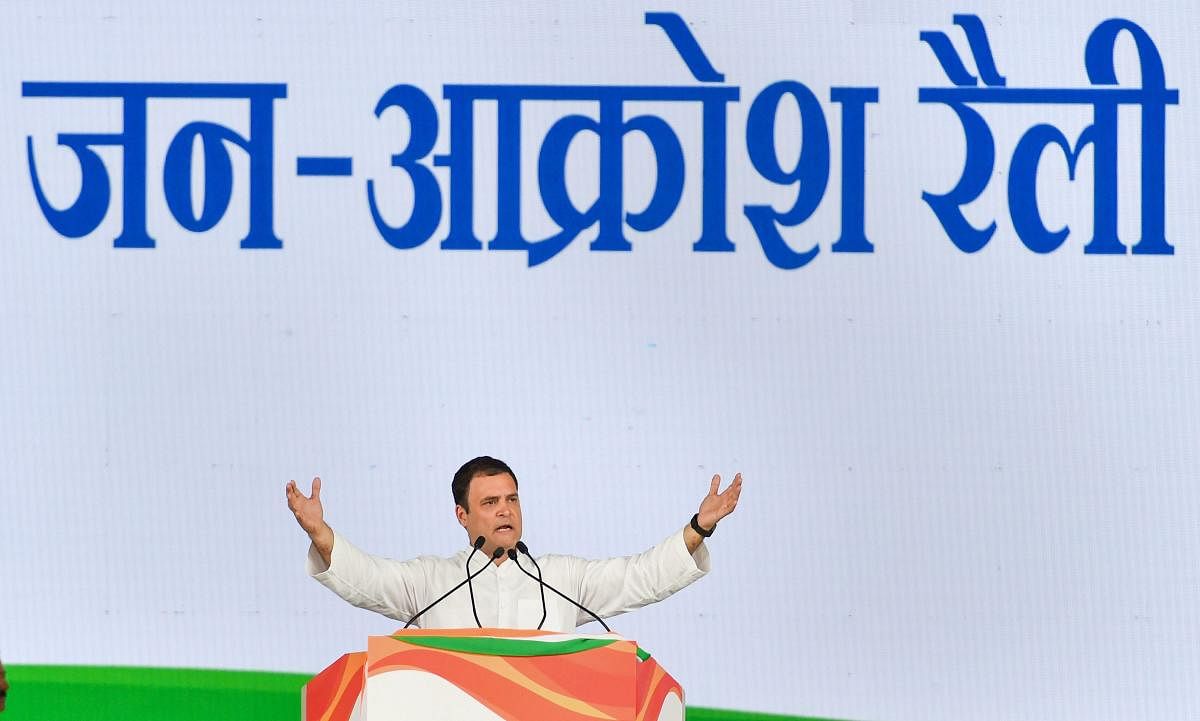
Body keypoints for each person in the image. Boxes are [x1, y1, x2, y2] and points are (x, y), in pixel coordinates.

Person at [286, 456, 742, 631]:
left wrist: (698, 528)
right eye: (490, 502)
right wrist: (320, 534)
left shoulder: (561, 578)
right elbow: (366, 579)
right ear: (462, 516)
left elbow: (640, 577)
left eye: (512, 499)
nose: (505, 510)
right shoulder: (431, 581)